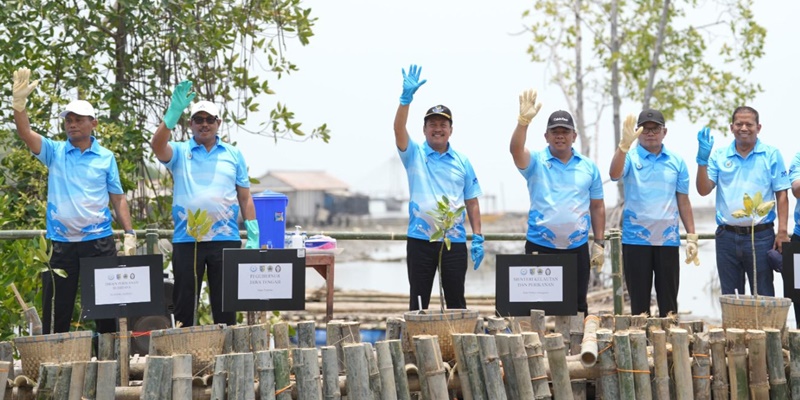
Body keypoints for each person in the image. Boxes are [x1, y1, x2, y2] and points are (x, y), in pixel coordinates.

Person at [11, 68, 136, 334]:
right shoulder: (54, 151)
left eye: (78, 119)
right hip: (61, 243)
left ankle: (111, 362)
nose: (71, 124)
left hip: (99, 241)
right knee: (57, 308)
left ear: (93, 123)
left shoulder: (106, 157)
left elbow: (118, 197)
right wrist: (19, 106)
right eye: (68, 120)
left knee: (107, 311)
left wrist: (129, 233)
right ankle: (55, 364)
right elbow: (25, 133)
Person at [152, 80, 259, 327]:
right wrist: (172, 115)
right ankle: (184, 352)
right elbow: (157, 146)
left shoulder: (233, 154)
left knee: (226, 303)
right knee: (184, 302)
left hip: (226, 238)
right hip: (188, 239)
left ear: (218, 123)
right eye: (198, 119)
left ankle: (227, 353)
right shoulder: (179, 151)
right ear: (190, 124)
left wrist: (253, 234)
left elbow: (245, 196)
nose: (204, 124)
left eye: (209, 119)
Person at [392, 64, 483, 311]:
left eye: (443, 124)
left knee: (456, 302)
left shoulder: (463, 161)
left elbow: (472, 201)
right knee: (419, 302)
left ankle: (458, 348)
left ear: (450, 130)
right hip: (420, 240)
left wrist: (478, 236)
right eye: (432, 124)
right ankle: (414, 348)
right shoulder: (414, 155)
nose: (437, 128)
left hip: (453, 241)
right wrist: (405, 100)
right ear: (424, 130)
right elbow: (399, 129)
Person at [510, 89, 605, 314]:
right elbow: (515, 151)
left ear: (574, 136)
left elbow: (597, 206)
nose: (560, 135)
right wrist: (523, 122)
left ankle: (579, 348)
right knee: (537, 308)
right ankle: (538, 348)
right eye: (555, 131)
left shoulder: (588, 167)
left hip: (576, 247)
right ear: (546, 136)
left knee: (577, 306)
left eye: (565, 131)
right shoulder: (535, 161)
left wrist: (599, 243)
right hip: (540, 246)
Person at [609, 109, 698, 317]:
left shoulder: (676, 161)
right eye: (645, 129)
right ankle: (642, 345)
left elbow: (683, 201)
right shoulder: (629, 157)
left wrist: (692, 235)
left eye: (655, 128)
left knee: (668, 304)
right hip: (635, 240)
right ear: (637, 133)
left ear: (664, 131)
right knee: (639, 304)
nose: (650, 133)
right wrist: (623, 146)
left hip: (667, 240)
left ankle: (668, 343)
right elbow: (614, 174)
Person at [696, 106, 790, 296]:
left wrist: (781, 232)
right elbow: (703, 190)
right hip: (726, 237)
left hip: (761, 236)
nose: (744, 128)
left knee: (763, 294)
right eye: (739, 124)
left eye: (749, 124)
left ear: (759, 127)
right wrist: (702, 161)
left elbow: (782, 194)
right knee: (731, 296)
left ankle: (765, 326)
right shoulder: (720, 156)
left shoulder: (771, 154)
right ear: (731, 127)